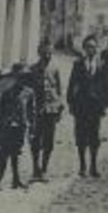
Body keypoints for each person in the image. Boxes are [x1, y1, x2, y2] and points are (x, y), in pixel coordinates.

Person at [67, 34, 108, 178]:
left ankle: (93, 165)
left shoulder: (102, 64)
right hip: (81, 106)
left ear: (96, 49)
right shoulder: (78, 64)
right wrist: (71, 103)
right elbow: (72, 84)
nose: (91, 50)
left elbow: (106, 87)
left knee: (94, 136)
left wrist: (104, 105)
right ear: (84, 49)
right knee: (80, 136)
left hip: (95, 107)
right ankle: (82, 165)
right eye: (88, 47)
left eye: (93, 47)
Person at [0, 63, 35, 191]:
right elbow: (0, 112)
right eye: (20, 76)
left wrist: (31, 127)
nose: (22, 79)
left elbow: (31, 112)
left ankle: (16, 180)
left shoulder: (29, 92)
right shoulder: (7, 92)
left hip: (20, 127)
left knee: (16, 153)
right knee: (4, 154)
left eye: (25, 76)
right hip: (7, 127)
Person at [28, 40, 63, 181]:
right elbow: (29, 91)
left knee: (49, 141)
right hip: (37, 110)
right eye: (44, 52)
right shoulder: (33, 69)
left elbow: (59, 90)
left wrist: (60, 108)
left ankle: (44, 169)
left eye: (50, 52)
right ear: (39, 52)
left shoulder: (55, 69)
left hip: (51, 109)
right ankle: (35, 168)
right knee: (35, 140)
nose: (47, 55)